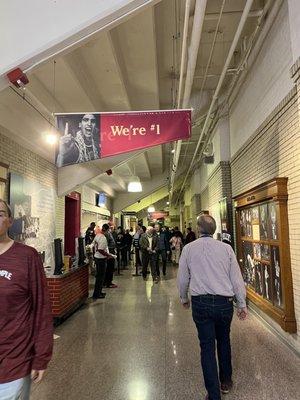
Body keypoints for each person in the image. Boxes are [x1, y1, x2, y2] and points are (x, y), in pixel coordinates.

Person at [177, 214, 247, 400]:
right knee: (224, 340)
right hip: (225, 303)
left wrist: (184, 297)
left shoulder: (189, 249)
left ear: (198, 229)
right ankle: (226, 381)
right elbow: (236, 279)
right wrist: (241, 303)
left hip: (201, 303)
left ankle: (214, 394)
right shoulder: (226, 249)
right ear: (214, 230)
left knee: (207, 347)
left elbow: (183, 277)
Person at [0, 199, 53, 399]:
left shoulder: (27, 256)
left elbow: (42, 308)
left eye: (0, 214)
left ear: (9, 221)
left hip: (13, 360)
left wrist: (41, 356)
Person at [91, 227, 116, 299]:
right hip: (101, 259)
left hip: (97, 257)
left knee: (99, 277)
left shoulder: (97, 236)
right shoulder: (103, 238)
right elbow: (101, 250)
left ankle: (98, 292)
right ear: (107, 231)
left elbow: (94, 246)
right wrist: (108, 255)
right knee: (100, 277)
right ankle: (97, 294)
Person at [102, 224, 118, 289]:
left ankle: (107, 282)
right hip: (110, 253)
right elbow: (106, 244)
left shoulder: (107, 234)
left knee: (109, 268)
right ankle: (108, 282)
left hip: (110, 252)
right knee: (110, 268)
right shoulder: (107, 234)